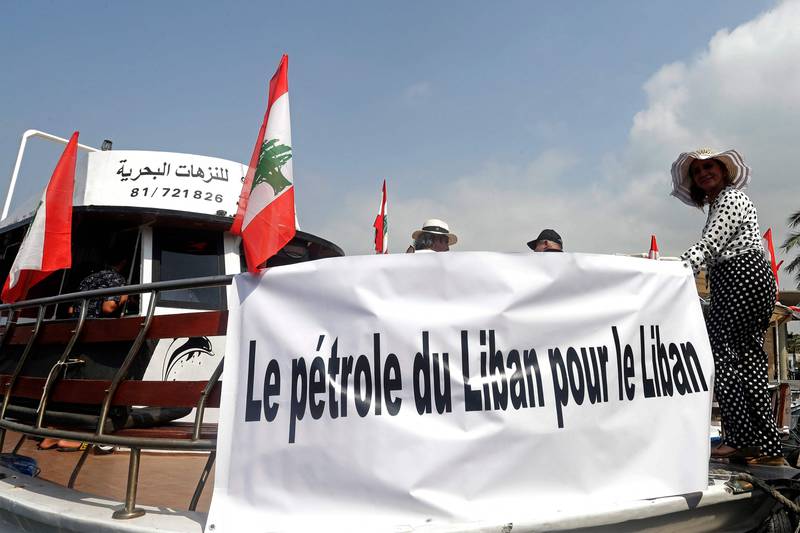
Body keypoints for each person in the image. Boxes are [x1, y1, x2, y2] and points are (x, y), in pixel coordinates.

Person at [671, 147, 782, 465]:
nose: (704, 173)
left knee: (721, 353)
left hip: (740, 275)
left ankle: (740, 438)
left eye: (709, 167)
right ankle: (767, 446)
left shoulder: (730, 199)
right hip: (749, 277)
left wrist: (673, 273)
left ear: (723, 170)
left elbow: (710, 244)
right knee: (749, 361)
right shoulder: (724, 201)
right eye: (697, 170)